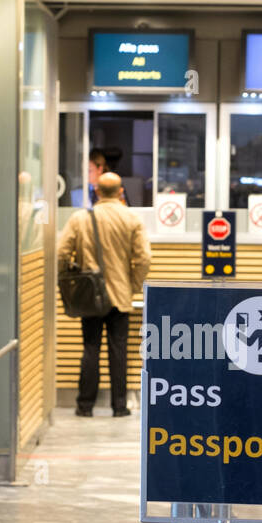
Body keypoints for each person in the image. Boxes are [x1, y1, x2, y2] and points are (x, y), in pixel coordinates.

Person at [57, 172, 151, 417]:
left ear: (97, 191)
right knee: (118, 351)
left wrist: (69, 281)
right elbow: (144, 258)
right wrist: (133, 285)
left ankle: (85, 406)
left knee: (91, 348)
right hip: (120, 296)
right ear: (120, 192)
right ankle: (119, 406)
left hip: (90, 295)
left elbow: (62, 253)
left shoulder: (80, 219)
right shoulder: (131, 218)